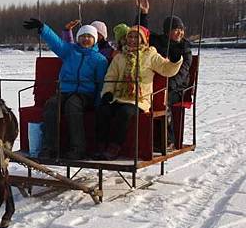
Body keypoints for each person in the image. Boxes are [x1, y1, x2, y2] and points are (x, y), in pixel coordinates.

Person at [23, 18, 108, 159]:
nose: (85, 39)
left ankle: (78, 149)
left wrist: (99, 102)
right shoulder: (70, 51)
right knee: (51, 105)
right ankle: (50, 147)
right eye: (82, 36)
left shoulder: (99, 59)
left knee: (73, 105)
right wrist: (43, 28)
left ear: (95, 40)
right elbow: (56, 43)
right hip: (65, 91)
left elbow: (101, 83)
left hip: (85, 94)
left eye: (89, 37)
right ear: (78, 38)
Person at [94, 25, 183, 160]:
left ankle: (114, 147)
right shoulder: (120, 57)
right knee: (103, 110)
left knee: (124, 112)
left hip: (140, 99)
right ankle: (100, 145)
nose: (132, 40)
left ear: (143, 40)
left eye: (136, 37)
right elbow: (111, 77)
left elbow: (166, 69)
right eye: (130, 36)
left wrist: (176, 61)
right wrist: (107, 92)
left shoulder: (150, 55)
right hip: (118, 97)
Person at [136, 0, 193, 149]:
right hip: (155, 83)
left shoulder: (185, 48)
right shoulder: (159, 41)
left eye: (181, 29)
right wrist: (143, 13)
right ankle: (143, 138)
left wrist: (170, 85)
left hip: (177, 87)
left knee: (163, 99)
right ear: (167, 31)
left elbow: (183, 71)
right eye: (175, 29)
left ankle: (168, 139)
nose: (179, 32)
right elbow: (141, 32)